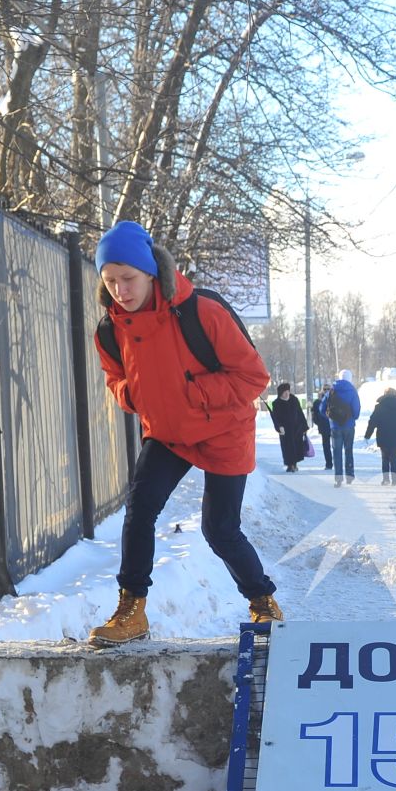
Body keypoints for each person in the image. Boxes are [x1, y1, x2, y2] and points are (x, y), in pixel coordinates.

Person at [87, 220, 281, 645]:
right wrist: (134, 395)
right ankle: (132, 609)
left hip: (224, 430)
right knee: (139, 512)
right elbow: (115, 379)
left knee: (220, 529)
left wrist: (191, 393)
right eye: (111, 280)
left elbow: (253, 377)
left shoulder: (202, 312)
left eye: (129, 278)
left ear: (152, 272)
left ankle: (263, 602)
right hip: (168, 434)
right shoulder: (109, 330)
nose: (121, 290)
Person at [314, 369, 361, 485]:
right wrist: (352, 418)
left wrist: (330, 418)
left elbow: (321, 409)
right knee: (348, 450)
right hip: (349, 426)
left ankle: (338, 479)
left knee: (337, 452)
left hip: (335, 427)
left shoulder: (331, 391)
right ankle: (349, 476)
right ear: (350, 378)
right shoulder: (353, 391)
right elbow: (356, 409)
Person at [364, 386, 396, 484]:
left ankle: (386, 479)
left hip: (383, 435)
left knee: (385, 458)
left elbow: (372, 421)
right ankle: (395, 480)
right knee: (394, 458)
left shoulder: (379, 407)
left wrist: (368, 435)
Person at [268, 382, 308, 472]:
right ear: (280, 393)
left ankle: (295, 464)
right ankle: (290, 465)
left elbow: (300, 413)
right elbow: (276, 418)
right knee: (287, 447)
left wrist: (304, 427)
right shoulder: (276, 403)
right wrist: (279, 427)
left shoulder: (294, 399)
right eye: (284, 392)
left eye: (288, 391)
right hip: (285, 430)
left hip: (296, 428)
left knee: (297, 446)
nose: (287, 394)